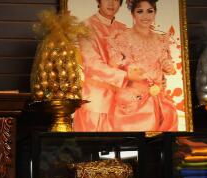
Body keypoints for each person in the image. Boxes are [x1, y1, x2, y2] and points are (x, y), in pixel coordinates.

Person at [108, 0, 178, 131]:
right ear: (132, 14)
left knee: (169, 115)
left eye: (150, 11)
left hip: (156, 97)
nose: (145, 16)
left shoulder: (160, 39)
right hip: (132, 99)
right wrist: (130, 72)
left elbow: (164, 62)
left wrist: (168, 67)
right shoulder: (122, 38)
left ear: (155, 13)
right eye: (140, 11)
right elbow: (114, 68)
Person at [74, 0, 128, 132]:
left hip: (122, 101)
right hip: (96, 100)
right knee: (91, 146)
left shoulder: (123, 28)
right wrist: (126, 76)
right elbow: (92, 64)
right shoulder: (86, 27)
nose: (111, 3)